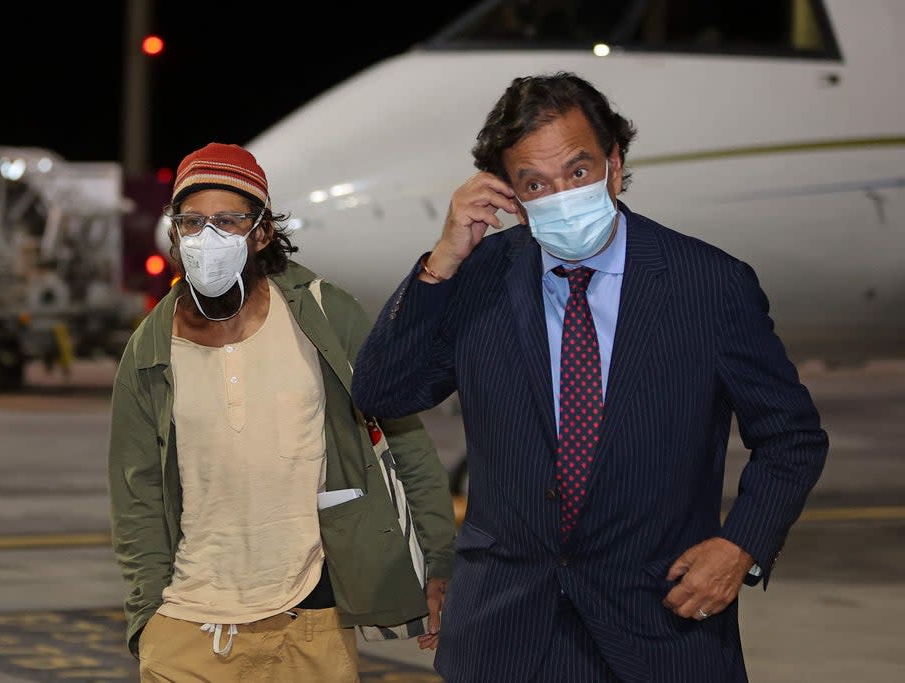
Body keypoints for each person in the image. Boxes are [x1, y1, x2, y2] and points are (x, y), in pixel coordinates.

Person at [350, 72, 829, 682]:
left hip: (660, 630)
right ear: (510, 196)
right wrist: (443, 260)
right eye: (536, 183)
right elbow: (382, 393)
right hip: (504, 636)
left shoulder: (708, 285)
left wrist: (743, 546)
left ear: (616, 164)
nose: (562, 193)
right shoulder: (480, 277)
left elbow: (792, 437)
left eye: (578, 171)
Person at [107, 142, 456, 682]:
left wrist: (439, 564)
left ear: (262, 231)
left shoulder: (324, 314)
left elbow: (405, 442)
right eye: (193, 222)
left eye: (228, 221)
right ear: (175, 232)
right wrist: (147, 619)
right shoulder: (149, 351)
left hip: (311, 622)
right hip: (187, 625)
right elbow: (137, 496)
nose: (209, 237)